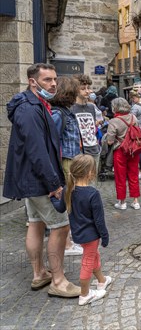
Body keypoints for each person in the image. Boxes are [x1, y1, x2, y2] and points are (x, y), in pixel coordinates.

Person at [4, 63, 80, 298]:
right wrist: (53, 183)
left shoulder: (35, 105)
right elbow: (37, 150)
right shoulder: (29, 109)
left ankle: (40, 274)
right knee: (60, 226)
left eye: (55, 79)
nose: (53, 84)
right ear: (32, 81)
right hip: (38, 180)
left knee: (35, 224)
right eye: (47, 80)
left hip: (32, 179)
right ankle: (58, 280)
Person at [49, 154, 112, 305]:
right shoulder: (93, 194)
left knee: (93, 255)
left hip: (78, 235)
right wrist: (105, 236)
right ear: (90, 173)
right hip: (91, 236)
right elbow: (99, 220)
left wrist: (52, 198)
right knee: (88, 261)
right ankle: (85, 294)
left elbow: (60, 208)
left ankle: (101, 281)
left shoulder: (68, 190)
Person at [50, 76, 84, 257]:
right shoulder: (58, 114)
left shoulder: (63, 112)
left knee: (72, 199)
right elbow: (52, 143)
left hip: (71, 160)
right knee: (68, 200)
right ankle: (67, 244)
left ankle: (70, 240)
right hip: (66, 162)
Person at [106, 97, 141, 210]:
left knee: (120, 176)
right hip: (133, 150)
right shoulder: (133, 117)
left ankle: (122, 202)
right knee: (134, 175)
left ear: (115, 108)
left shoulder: (113, 121)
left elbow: (110, 141)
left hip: (120, 151)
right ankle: (135, 201)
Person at [72, 74, 102, 172]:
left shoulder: (91, 107)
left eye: (88, 88)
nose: (87, 91)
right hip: (80, 152)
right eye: (83, 88)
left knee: (92, 181)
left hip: (94, 149)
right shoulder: (71, 108)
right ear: (76, 90)